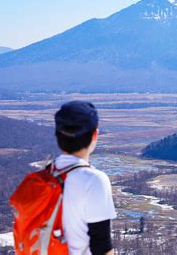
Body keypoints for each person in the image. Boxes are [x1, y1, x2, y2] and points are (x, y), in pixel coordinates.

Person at [54, 100, 116, 255]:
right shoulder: (93, 180)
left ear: (57, 134)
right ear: (95, 134)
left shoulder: (39, 179)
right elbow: (102, 247)